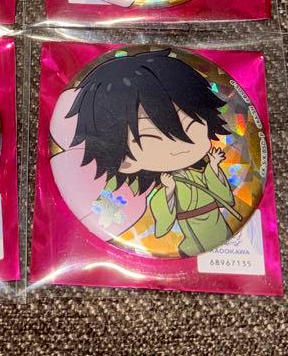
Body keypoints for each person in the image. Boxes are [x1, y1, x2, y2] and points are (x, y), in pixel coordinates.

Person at [69, 49, 237, 256]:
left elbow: (225, 196)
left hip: (219, 227)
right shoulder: (163, 186)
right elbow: (164, 222)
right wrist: (169, 189)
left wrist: (213, 166)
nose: (181, 143)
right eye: (152, 137)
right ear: (126, 161)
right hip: (191, 236)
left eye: (190, 123)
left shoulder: (199, 172)